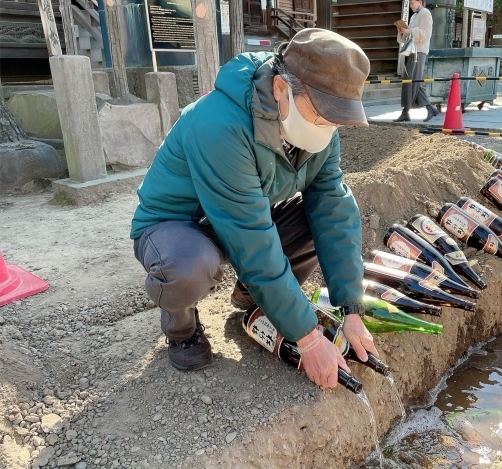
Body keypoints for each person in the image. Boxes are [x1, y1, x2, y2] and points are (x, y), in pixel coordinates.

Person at [130, 29, 379, 391]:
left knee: (320, 216)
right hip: (178, 227)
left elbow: (333, 209)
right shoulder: (220, 125)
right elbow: (250, 238)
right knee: (186, 266)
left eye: (338, 117)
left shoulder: (318, 130)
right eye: (324, 113)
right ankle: (181, 328)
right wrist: (308, 340)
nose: (329, 126)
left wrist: (351, 310)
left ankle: (252, 295)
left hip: (242, 215)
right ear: (281, 89)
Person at [395, 0, 439, 123]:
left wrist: (409, 31)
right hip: (413, 51)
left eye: (412, 3)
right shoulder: (415, 16)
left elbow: (425, 34)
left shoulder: (425, 13)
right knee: (412, 81)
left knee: (412, 81)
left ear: (420, 1)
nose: (411, 6)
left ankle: (408, 111)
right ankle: (427, 108)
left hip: (419, 51)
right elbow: (408, 36)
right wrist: (403, 32)